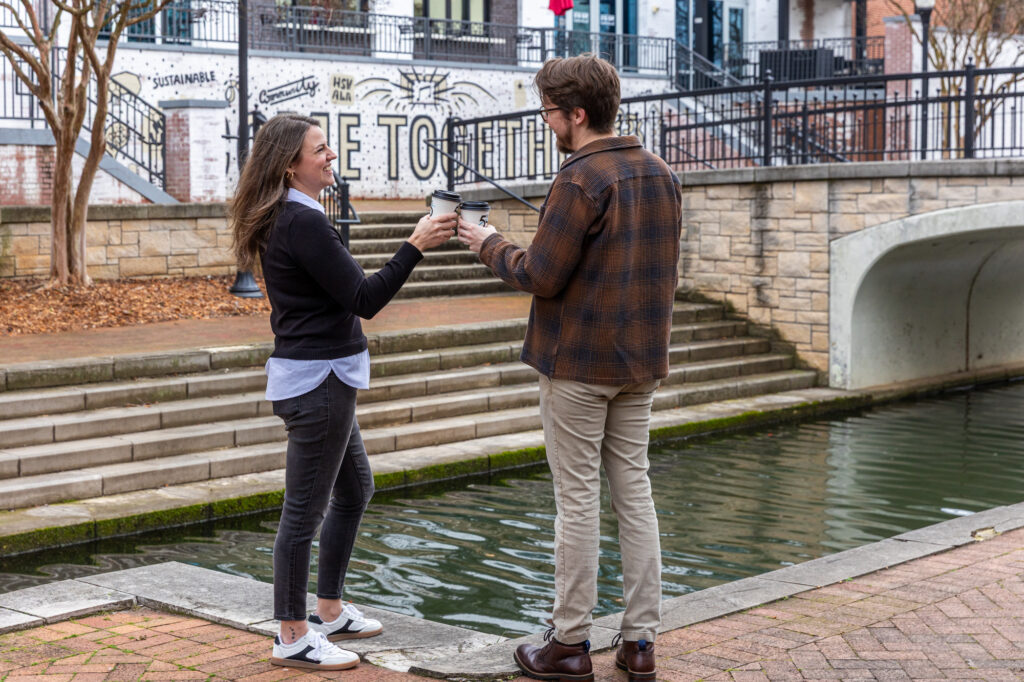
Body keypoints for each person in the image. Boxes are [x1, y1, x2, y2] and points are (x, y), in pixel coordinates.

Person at [457, 55, 682, 682]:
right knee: (634, 495)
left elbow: (541, 274)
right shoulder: (660, 172)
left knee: (577, 500)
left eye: (550, 112)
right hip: (641, 360)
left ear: (577, 114)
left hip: (580, 364)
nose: (547, 121)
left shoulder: (581, 178)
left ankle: (569, 642)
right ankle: (640, 643)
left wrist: (488, 244)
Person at [230, 114, 457, 672]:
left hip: (326, 377)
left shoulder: (296, 216)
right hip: (319, 384)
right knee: (302, 514)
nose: (331, 156)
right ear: (291, 165)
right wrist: (416, 243)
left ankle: (328, 609)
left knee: (355, 490)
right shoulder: (301, 223)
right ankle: (292, 634)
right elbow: (364, 297)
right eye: (320, 149)